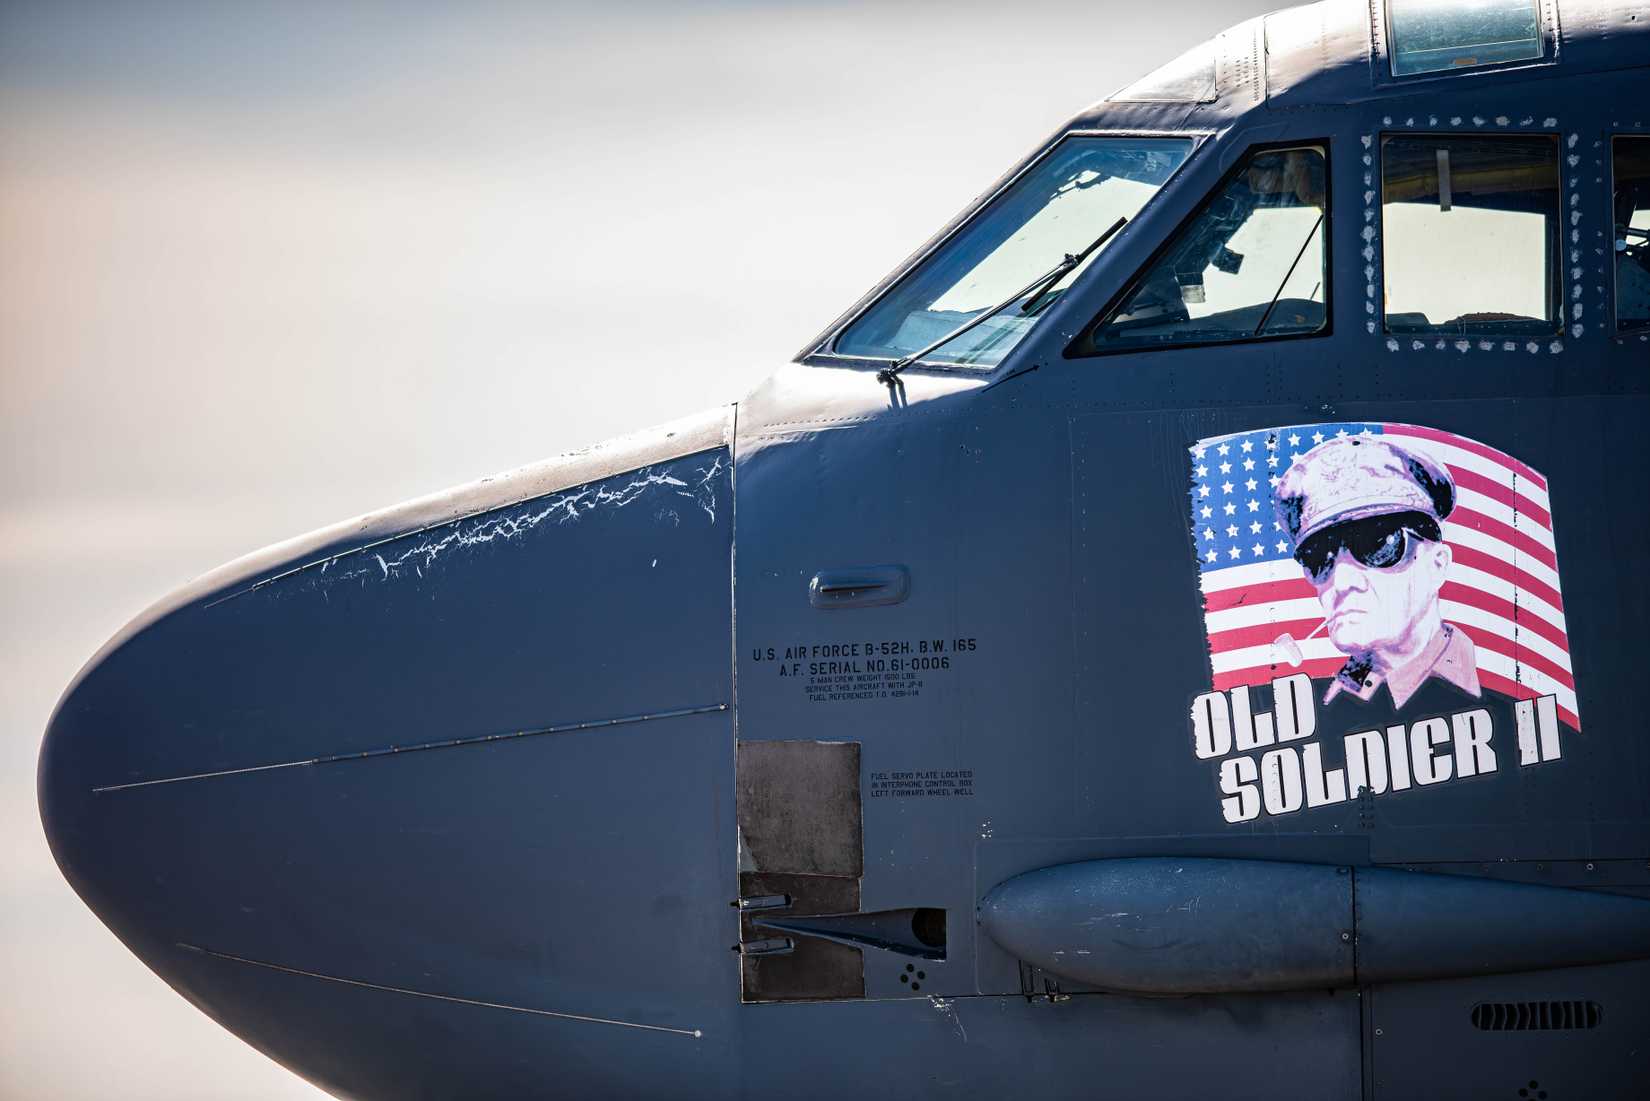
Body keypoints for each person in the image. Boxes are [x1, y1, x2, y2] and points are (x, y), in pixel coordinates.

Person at [1273, 434, 1480, 710]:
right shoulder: (1338, 697)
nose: (1342, 582)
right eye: (1319, 558)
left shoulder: (1474, 689)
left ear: (1437, 564)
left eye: (1377, 543)